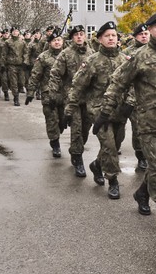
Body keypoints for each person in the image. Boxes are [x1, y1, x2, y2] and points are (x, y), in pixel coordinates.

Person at [99, 11, 156, 238]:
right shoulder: (139, 57)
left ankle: (142, 193)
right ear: (149, 30)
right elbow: (117, 83)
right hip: (149, 124)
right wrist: (105, 111)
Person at [68, 21, 127, 199]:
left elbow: (132, 85)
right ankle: (113, 180)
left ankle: (97, 165)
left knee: (116, 142)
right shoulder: (92, 61)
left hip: (119, 110)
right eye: (107, 36)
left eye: (114, 35)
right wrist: (70, 108)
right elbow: (78, 86)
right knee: (108, 145)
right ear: (100, 39)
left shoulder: (124, 60)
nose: (111, 38)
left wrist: (130, 105)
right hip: (98, 110)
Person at [49, 24, 94, 177]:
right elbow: (55, 74)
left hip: (88, 99)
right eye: (76, 35)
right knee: (76, 129)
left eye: (82, 34)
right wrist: (54, 93)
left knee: (85, 129)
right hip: (71, 98)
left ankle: (77, 150)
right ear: (72, 37)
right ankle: (77, 158)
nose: (79, 36)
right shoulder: (65, 54)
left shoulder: (92, 53)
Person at [26, 30, 65, 157]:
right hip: (48, 92)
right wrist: (31, 91)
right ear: (49, 43)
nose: (57, 42)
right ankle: (55, 143)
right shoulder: (43, 57)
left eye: (59, 40)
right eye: (54, 40)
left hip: (65, 93)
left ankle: (58, 132)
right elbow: (35, 74)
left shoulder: (67, 55)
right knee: (51, 119)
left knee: (62, 120)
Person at [124, 23, 150, 171]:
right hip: (134, 99)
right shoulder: (128, 53)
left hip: (152, 98)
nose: (144, 36)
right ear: (135, 37)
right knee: (138, 129)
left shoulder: (153, 51)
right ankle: (141, 156)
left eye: (146, 33)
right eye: (141, 34)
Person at [4, 27, 27, 106]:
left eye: (16, 31)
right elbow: (4, 54)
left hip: (20, 64)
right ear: (11, 32)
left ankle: (17, 91)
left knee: (21, 81)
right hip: (11, 65)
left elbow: (25, 53)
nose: (15, 32)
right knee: (14, 82)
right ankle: (16, 97)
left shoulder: (22, 42)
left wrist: (25, 62)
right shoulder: (7, 42)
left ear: (19, 32)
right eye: (13, 31)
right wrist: (4, 64)